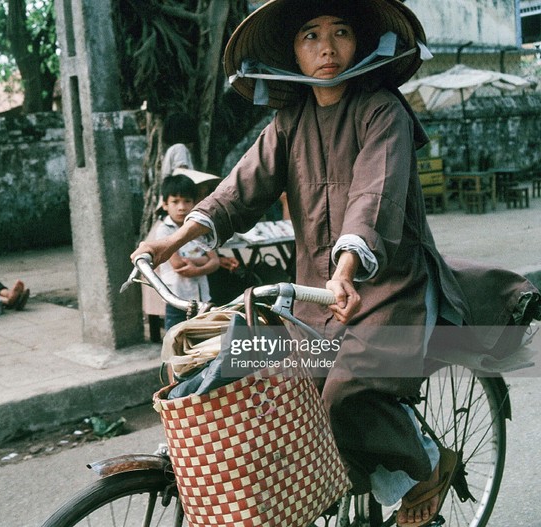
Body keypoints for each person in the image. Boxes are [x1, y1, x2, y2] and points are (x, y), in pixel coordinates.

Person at [131, 1, 540, 526]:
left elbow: (374, 195)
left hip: (393, 288)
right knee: (261, 376)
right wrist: (170, 242)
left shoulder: (382, 111)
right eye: (310, 35)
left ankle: (429, 468)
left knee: (345, 394)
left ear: (360, 42)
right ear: (292, 52)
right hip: (315, 295)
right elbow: (238, 191)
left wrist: (346, 268)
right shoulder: (289, 121)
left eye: (340, 32)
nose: (326, 47)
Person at [156, 175, 220, 330]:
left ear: (194, 203)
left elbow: (216, 262)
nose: (182, 207)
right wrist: (204, 260)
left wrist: (198, 267)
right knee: (176, 340)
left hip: (202, 297)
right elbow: (178, 264)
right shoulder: (164, 230)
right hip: (177, 299)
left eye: (187, 201)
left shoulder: (198, 228)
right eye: (175, 201)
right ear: (165, 204)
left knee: (200, 341)